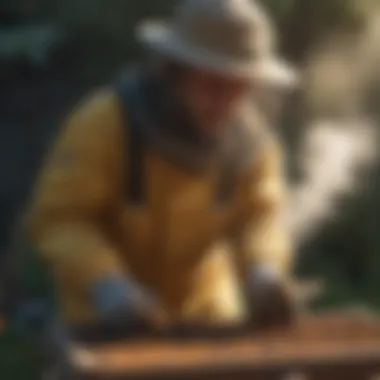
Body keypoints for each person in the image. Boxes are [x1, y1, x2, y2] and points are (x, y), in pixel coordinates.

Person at [26, 0, 299, 331]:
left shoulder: (252, 144)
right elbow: (59, 219)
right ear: (176, 72)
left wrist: (264, 270)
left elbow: (260, 218)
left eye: (239, 86)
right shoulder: (105, 124)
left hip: (206, 318)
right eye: (213, 84)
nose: (226, 101)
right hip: (103, 321)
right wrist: (104, 281)